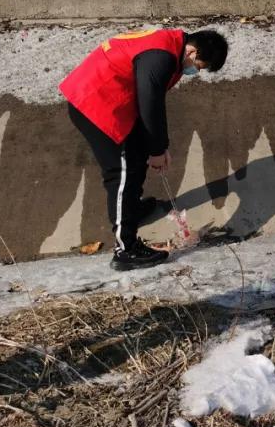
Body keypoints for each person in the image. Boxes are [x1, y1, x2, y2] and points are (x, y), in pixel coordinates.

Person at [59, 28, 229, 270]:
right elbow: (150, 103)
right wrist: (158, 149)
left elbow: (147, 100)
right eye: (198, 66)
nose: (194, 71)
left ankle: (131, 209)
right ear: (192, 51)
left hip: (112, 99)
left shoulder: (170, 46)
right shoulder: (161, 57)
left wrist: (156, 147)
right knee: (121, 172)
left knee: (137, 154)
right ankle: (126, 250)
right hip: (94, 104)